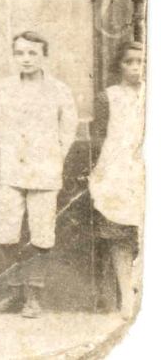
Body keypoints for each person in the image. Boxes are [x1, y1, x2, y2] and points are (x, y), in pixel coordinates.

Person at [0, 29, 80, 319]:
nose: (26, 59)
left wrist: (53, 158)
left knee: (41, 234)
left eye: (32, 53)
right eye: (20, 53)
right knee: (6, 233)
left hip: (45, 171)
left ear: (44, 56)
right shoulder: (4, 88)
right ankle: (14, 292)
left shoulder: (59, 90)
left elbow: (68, 129)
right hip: (13, 169)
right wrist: (10, 155)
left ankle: (33, 298)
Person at [89, 38, 143, 317]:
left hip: (148, 168)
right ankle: (126, 296)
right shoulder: (108, 97)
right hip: (119, 171)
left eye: (141, 61)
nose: (135, 68)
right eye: (128, 62)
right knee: (120, 234)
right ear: (119, 65)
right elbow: (98, 139)